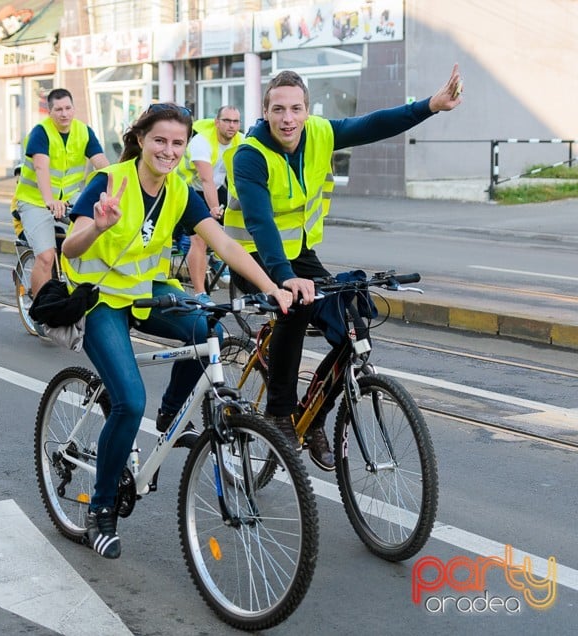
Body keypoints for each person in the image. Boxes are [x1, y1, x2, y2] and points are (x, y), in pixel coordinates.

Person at [59, 103, 293, 559]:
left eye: (177, 143)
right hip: (100, 297)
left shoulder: (180, 193)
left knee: (213, 333)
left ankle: (171, 415)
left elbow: (225, 242)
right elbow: (70, 247)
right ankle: (101, 510)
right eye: (160, 140)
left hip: (147, 292)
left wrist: (273, 288)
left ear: (185, 148)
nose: (168, 150)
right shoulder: (109, 182)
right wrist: (98, 225)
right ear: (142, 139)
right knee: (128, 402)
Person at [226, 65, 464, 471]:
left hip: (299, 254)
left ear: (306, 109)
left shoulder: (319, 132)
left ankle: (314, 416)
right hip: (253, 257)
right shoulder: (249, 154)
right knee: (293, 307)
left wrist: (431, 106)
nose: (288, 119)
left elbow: (374, 123)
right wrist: (283, 280)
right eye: (278, 109)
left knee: (352, 318)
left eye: (296, 109)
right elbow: (261, 225)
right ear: (265, 111)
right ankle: (279, 413)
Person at [15, 88, 109, 300]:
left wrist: (115, 188)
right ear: (50, 112)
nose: (64, 114)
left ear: (74, 109)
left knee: (98, 235)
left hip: (71, 198)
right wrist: (49, 200)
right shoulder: (41, 132)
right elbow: (41, 167)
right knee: (47, 256)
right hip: (35, 201)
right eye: (58, 109)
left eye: (68, 108)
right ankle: (41, 309)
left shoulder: (84, 131)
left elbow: (101, 164)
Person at [180, 105, 244, 304]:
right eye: (226, 121)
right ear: (217, 122)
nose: (231, 126)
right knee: (200, 237)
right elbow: (206, 180)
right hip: (189, 189)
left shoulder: (241, 140)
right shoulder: (202, 141)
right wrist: (214, 210)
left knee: (240, 229)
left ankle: (219, 260)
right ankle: (200, 294)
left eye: (235, 121)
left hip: (217, 187)